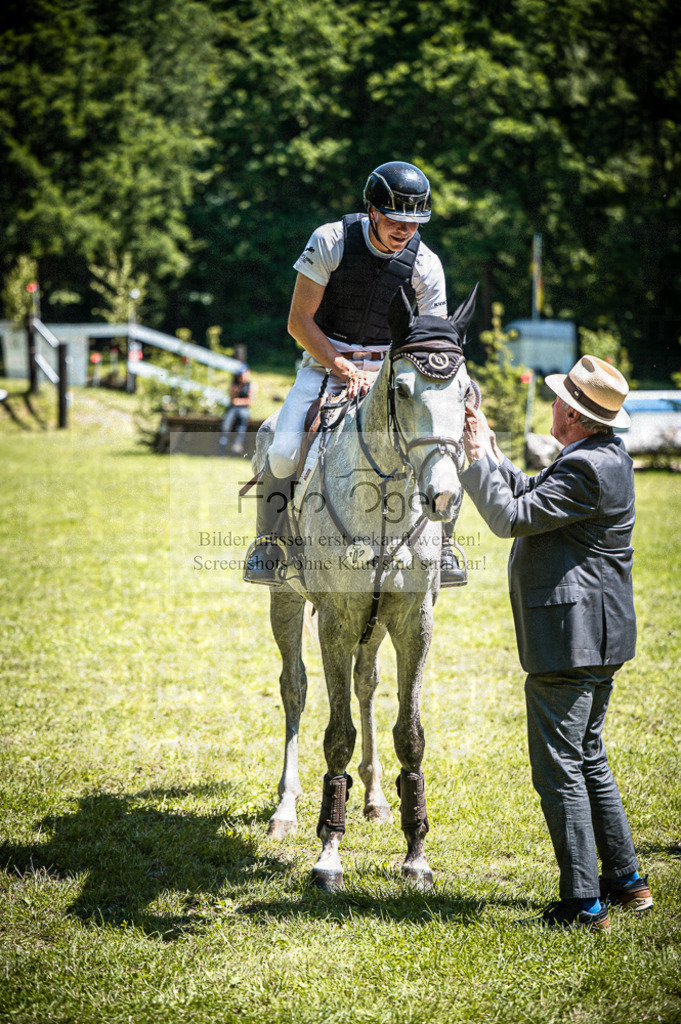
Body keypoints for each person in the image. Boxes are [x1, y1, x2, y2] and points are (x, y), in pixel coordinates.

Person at [460, 354, 652, 931]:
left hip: (573, 640)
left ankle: (583, 904)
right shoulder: (599, 457)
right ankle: (627, 882)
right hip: (598, 636)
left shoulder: (585, 468)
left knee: (560, 768)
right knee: (588, 758)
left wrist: (472, 462)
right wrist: (490, 451)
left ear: (572, 414)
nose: (550, 405)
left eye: (556, 399)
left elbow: (507, 515)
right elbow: (529, 488)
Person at [244, 160, 466, 587]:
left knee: (449, 443)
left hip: (393, 370)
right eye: (397, 220)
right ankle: (270, 544)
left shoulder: (427, 264)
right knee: (284, 449)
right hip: (324, 360)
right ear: (373, 212)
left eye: (415, 222)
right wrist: (341, 366)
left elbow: (433, 339)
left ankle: (444, 545)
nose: (406, 231)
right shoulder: (330, 240)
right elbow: (298, 322)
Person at [218, 367, 254, 456]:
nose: (241, 377)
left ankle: (237, 445)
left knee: (243, 419)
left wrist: (238, 401)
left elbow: (250, 400)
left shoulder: (251, 385)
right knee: (226, 425)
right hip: (233, 408)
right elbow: (232, 399)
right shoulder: (235, 384)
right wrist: (235, 388)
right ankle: (222, 446)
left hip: (244, 408)